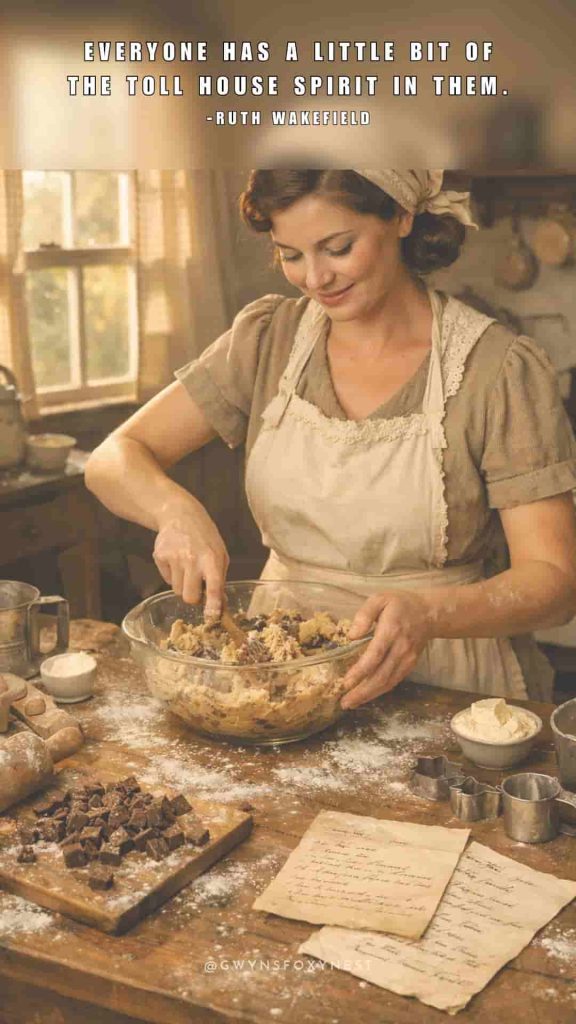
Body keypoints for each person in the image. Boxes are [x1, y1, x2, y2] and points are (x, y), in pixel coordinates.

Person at [85, 169, 576, 710]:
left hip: (450, 683)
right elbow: (112, 458)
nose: (315, 278)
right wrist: (173, 510)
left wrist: (430, 613)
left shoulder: (497, 368)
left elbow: (554, 583)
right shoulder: (268, 339)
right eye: (290, 254)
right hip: (280, 674)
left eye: (337, 247)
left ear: (401, 216)